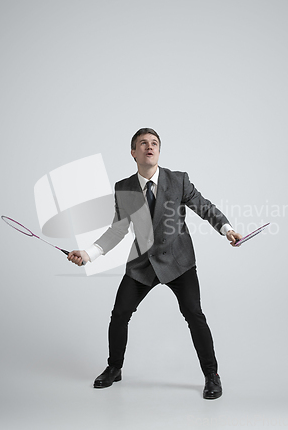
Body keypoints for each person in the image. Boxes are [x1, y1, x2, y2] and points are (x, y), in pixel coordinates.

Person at [68, 128, 242, 399]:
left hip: (178, 261)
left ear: (159, 151)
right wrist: (89, 254)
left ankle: (212, 375)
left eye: (155, 143)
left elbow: (204, 207)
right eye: (143, 144)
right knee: (120, 314)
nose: (150, 147)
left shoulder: (178, 180)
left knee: (194, 314)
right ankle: (114, 367)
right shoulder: (123, 187)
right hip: (142, 264)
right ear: (133, 152)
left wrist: (227, 229)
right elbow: (118, 230)